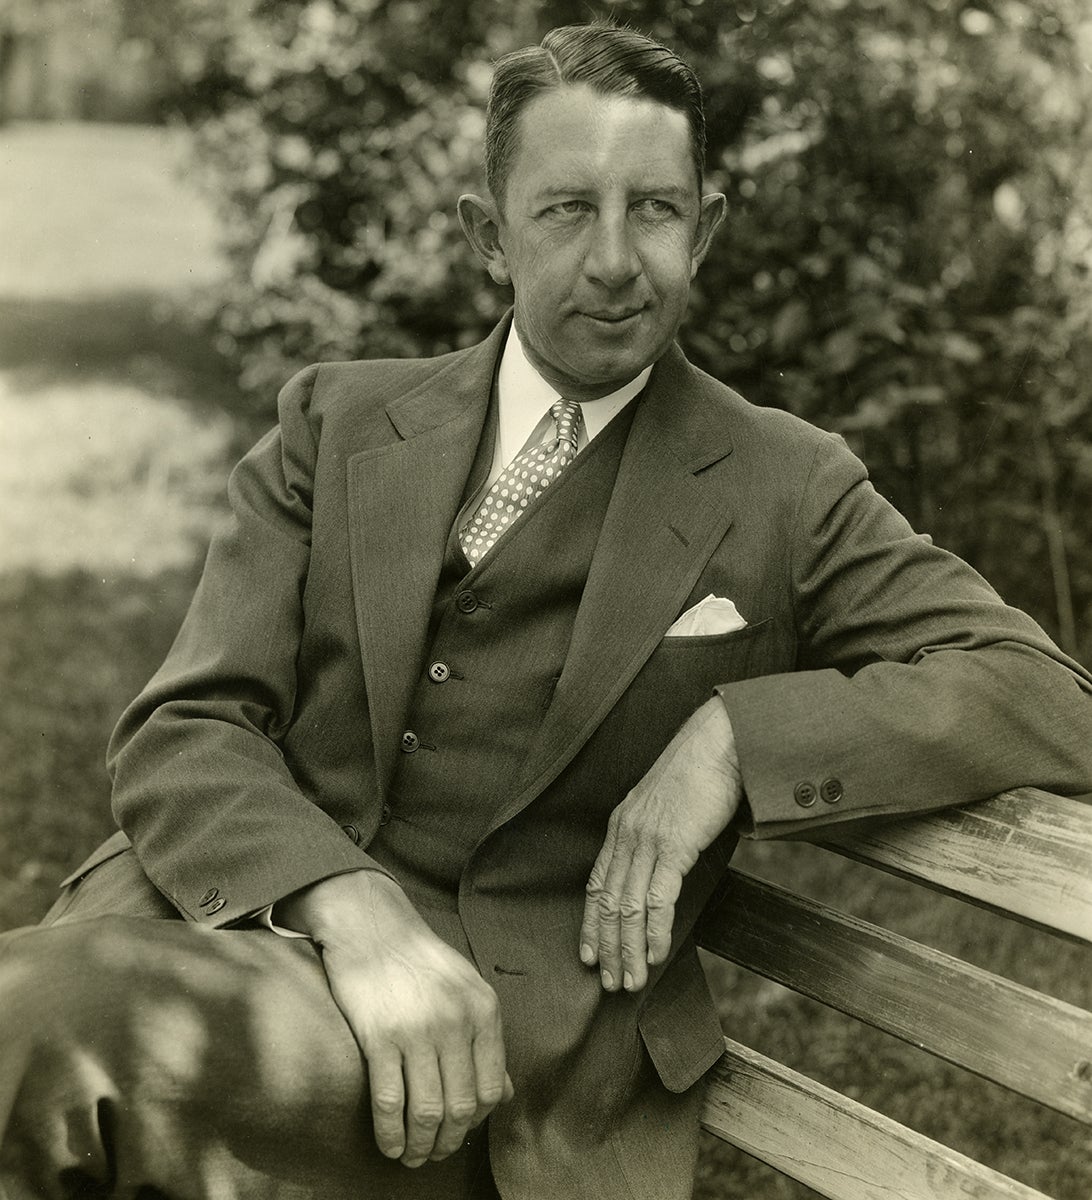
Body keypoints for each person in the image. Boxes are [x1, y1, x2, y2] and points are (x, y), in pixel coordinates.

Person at [2, 20, 1091, 1200]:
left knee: (40, 1037)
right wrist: (349, 907)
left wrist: (731, 739)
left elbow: (1042, 690)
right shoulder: (339, 424)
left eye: (657, 210)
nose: (617, 261)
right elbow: (188, 725)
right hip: (240, 920)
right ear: (490, 234)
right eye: (568, 210)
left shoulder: (783, 484)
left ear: (707, 228)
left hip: (493, 1044)